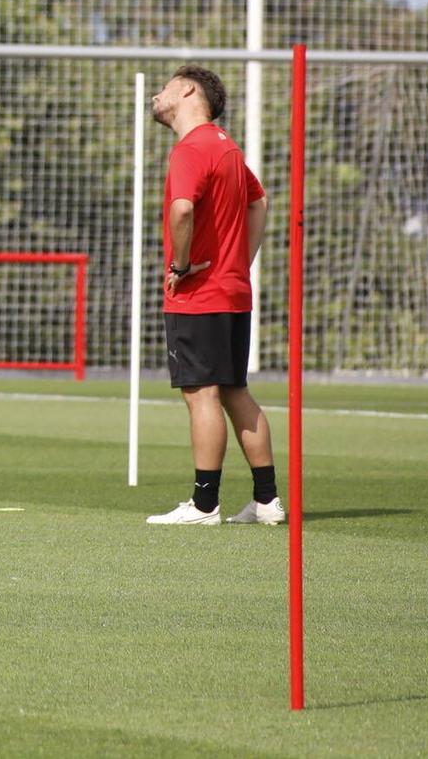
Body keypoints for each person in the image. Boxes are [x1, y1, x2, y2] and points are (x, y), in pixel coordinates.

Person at [146, 64, 283, 526]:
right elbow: (259, 201)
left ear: (186, 90)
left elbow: (182, 210)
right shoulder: (226, 146)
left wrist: (180, 266)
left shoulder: (191, 148)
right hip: (232, 290)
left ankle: (204, 505)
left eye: (163, 88)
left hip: (199, 293)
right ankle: (267, 503)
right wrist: (240, 262)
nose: (156, 96)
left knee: (200, 394)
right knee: (233, 391)